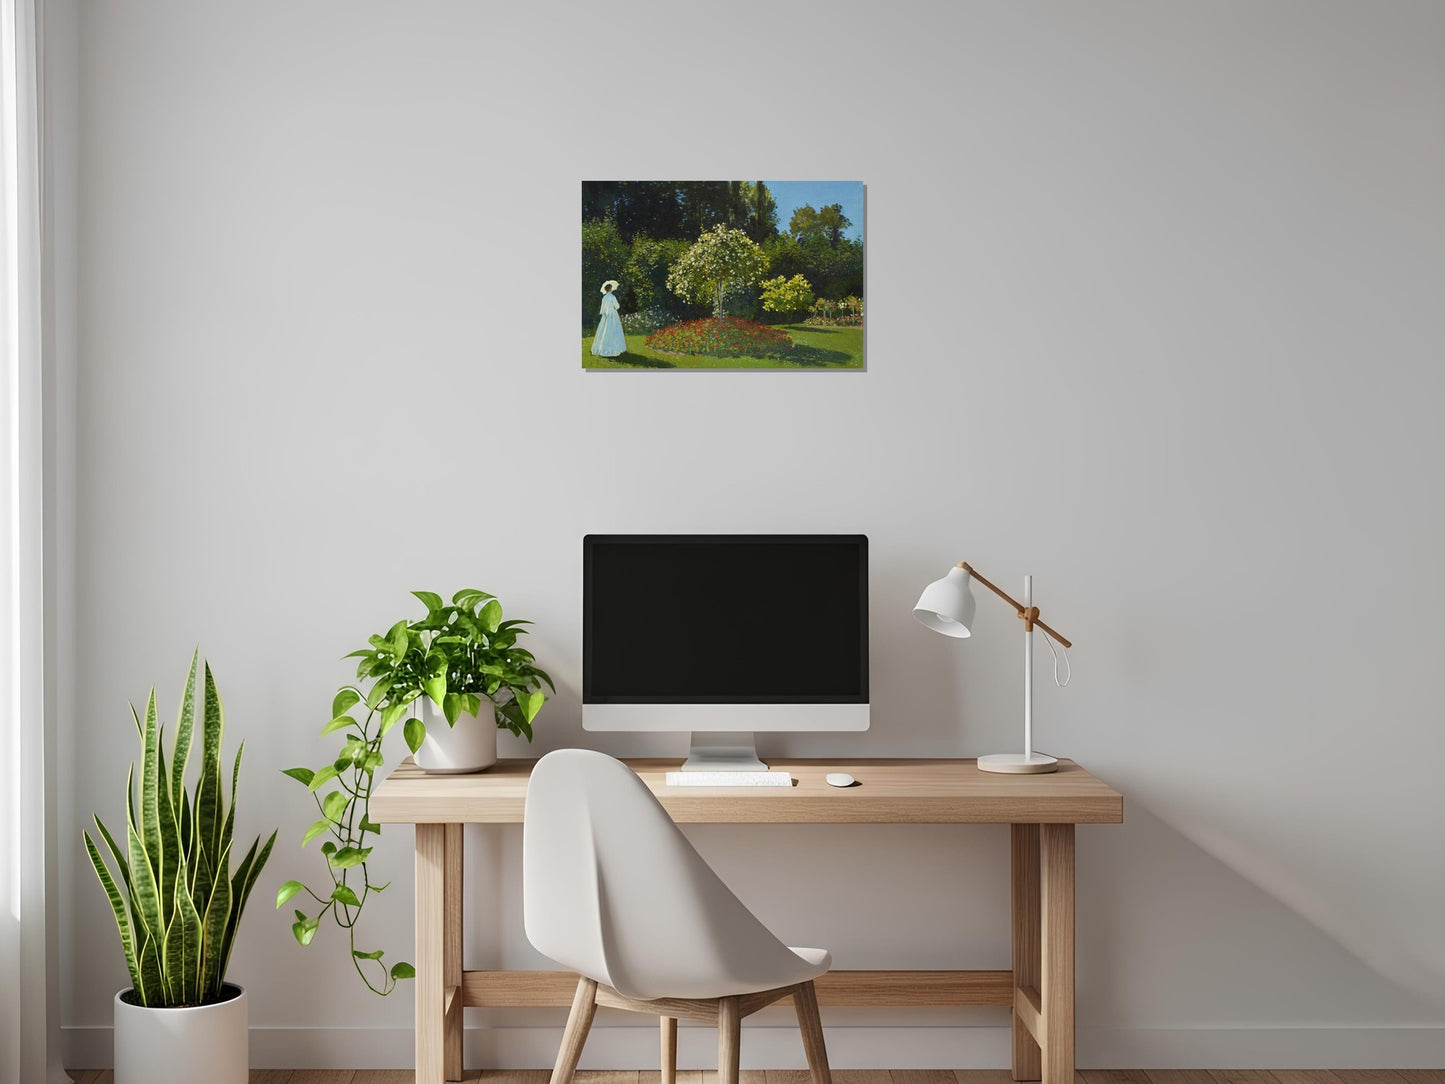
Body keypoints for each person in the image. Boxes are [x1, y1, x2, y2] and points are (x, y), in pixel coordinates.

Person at [591, 280, 626, 358]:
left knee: (605, 330)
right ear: (610, 289)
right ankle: (615, 348)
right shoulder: (612, 297)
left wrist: (605, 313)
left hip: (606, 316)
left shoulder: (604, 298)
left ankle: (602, 347)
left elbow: (602, 309)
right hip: (613, 315)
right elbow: (617, 306)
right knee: (614, 330)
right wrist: (615, 306)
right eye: (611, 288)